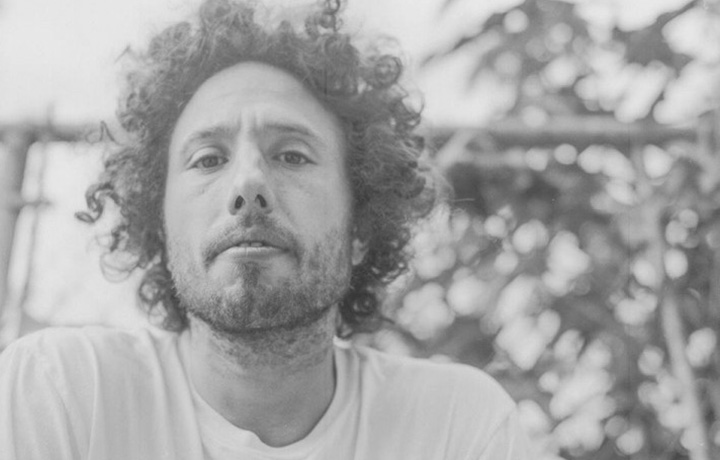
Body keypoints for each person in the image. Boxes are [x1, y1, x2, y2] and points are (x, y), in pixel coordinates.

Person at [0, 0, 531, 458]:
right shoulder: (63, 394)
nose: (248, 184)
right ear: (159, 224)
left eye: (292, 155)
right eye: (208, 160)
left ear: (361, 227)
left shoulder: (458, 427)